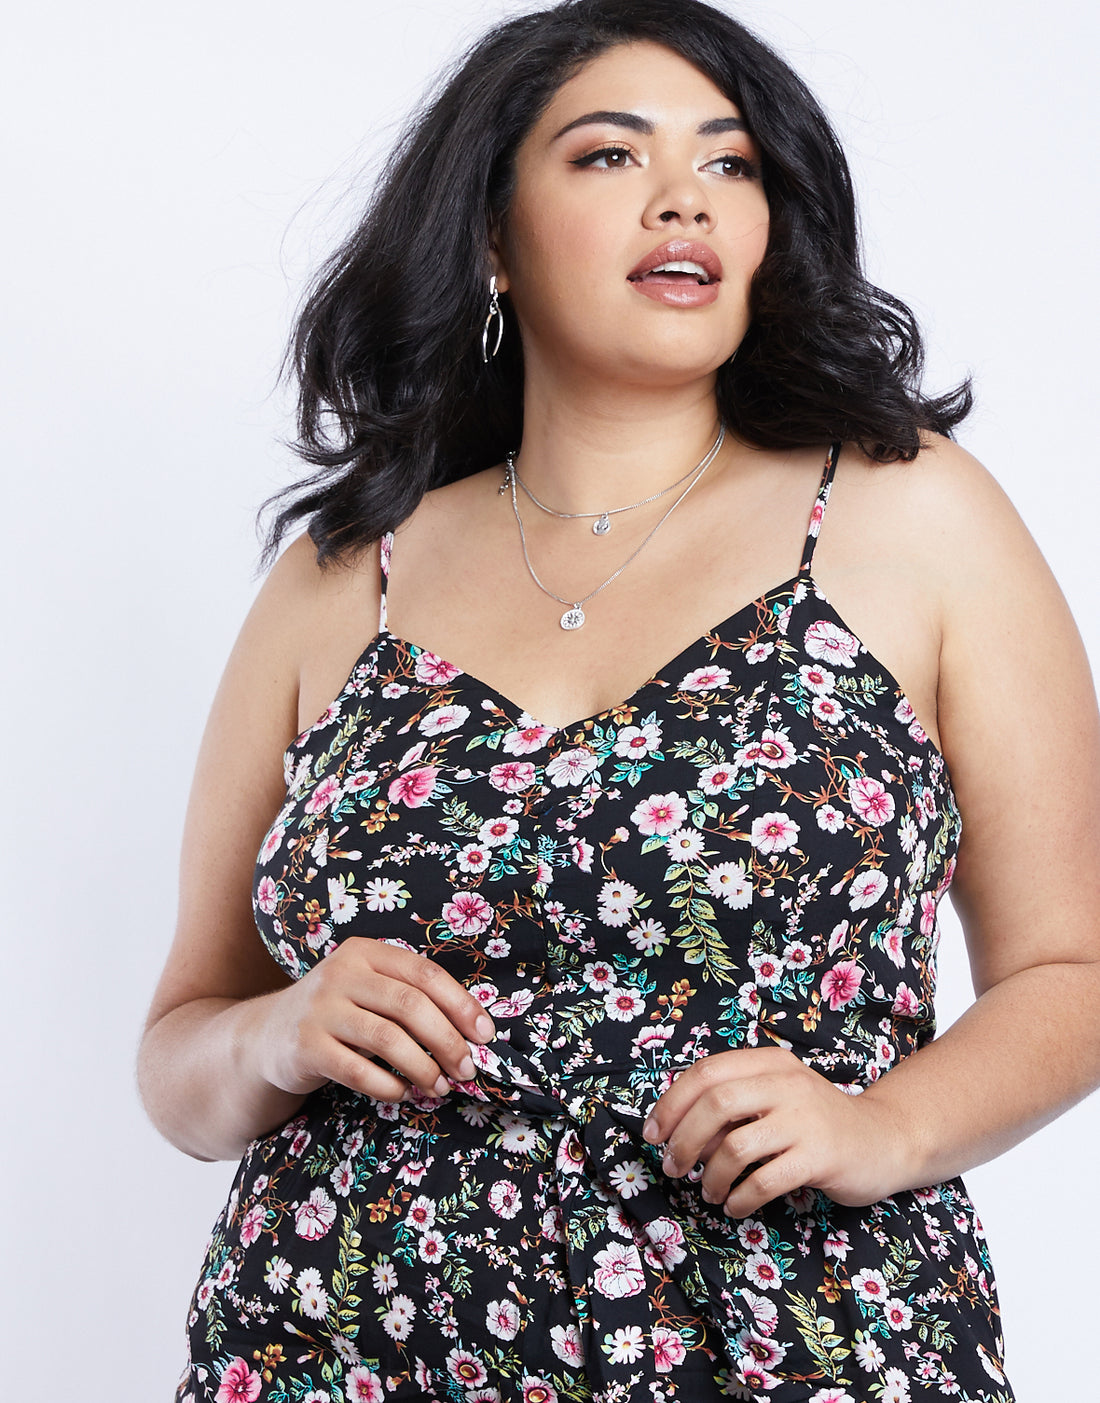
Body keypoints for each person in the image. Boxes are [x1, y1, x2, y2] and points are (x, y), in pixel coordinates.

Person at [138, 1, 1100, 1399]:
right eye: (609, 155)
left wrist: (887, 1127)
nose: (682, 200)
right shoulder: (346, 575)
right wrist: (274, 1032)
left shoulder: (912, 517)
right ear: (489, 235)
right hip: (348, 1341)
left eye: (730, 163)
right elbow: (181, 1049)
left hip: (786, 1340)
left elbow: (1074, 972)